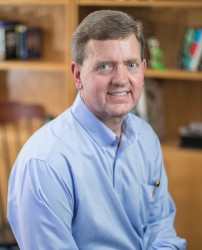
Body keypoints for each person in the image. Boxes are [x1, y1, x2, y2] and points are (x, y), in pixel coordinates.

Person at [7, 10, 187, 249]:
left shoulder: (146, 138)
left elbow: (161, 230)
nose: (121, 79)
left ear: (143, 70)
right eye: (105, 66)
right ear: (78, 75)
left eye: (131, 64)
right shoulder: (45, 163)